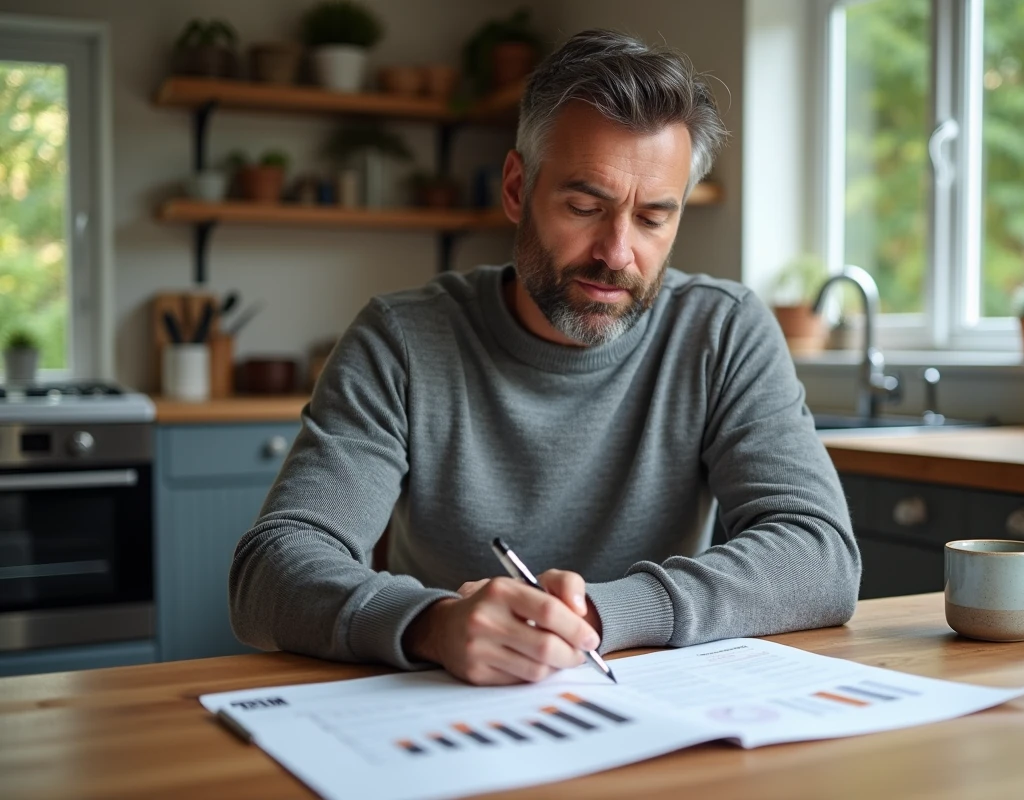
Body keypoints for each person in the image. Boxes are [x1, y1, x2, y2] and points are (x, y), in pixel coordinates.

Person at [229, 28, 860, 687]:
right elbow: (269, 572)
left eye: (652, 219)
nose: (617, 253)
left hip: (654, 715)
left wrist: (597, 612)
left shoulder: (722, 331)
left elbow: (819, 558)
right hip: (447, 709)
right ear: (515, 189)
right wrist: (432, 624)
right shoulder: (402, 340)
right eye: (585, 206)